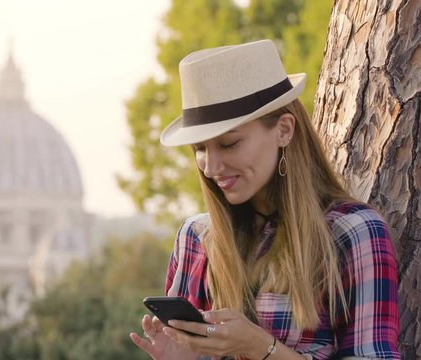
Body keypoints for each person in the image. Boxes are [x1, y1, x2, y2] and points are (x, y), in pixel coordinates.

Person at [129, 40, 401, 359]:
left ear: (284, 130)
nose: (210, 167)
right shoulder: (197, 239)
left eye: (229, 144)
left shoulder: (353, 233)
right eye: (200, 149)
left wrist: (262, 348)